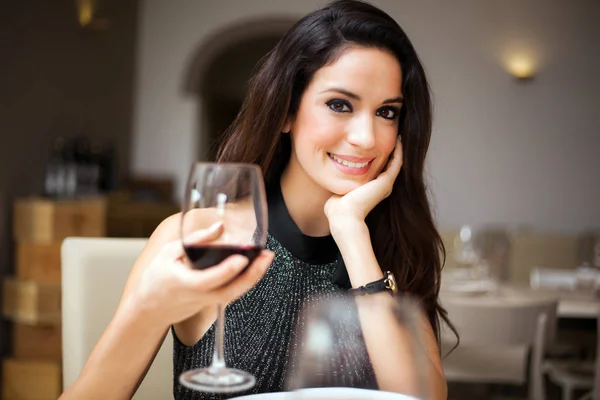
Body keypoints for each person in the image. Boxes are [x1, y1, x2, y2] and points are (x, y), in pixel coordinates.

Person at [59, 0, 456, 399]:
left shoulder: (392, 247)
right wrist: (150, 310)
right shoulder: (206, 235)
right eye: (340, 105)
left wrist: (352, 233)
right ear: (286, 112)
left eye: (387, 112)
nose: (367, 138)